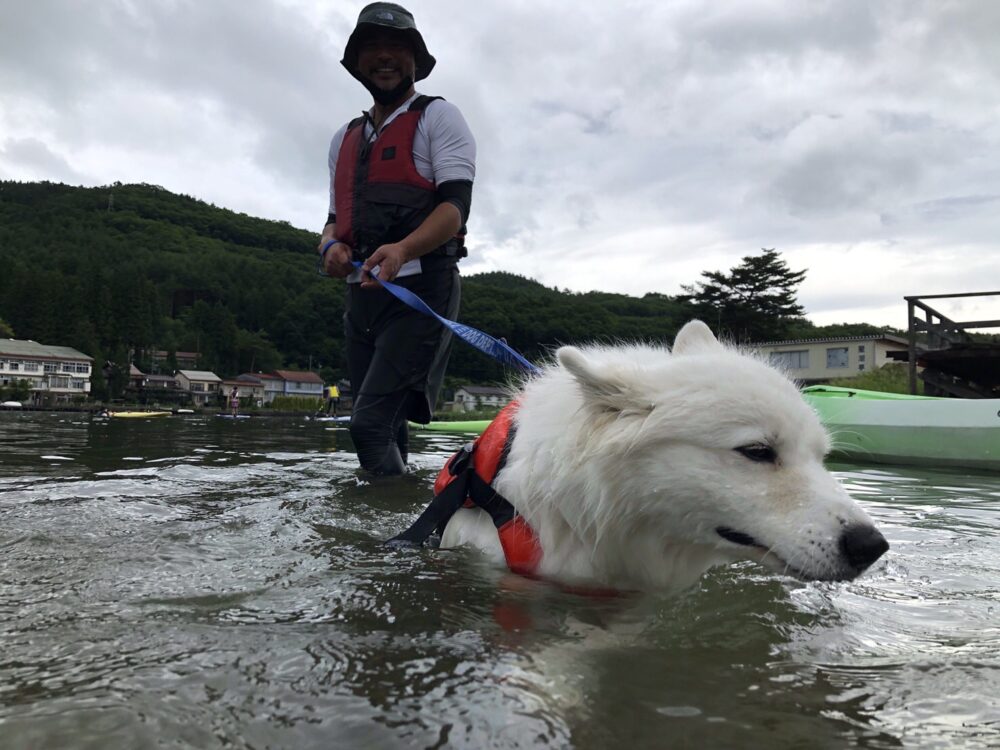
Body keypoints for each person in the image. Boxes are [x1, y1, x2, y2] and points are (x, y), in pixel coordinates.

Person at [319, 2, 476, 475]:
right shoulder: (344, 137)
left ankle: (394, 537)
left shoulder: (439, 118)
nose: (385, 57)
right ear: (357, 62)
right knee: (385, 426)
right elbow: (332, 220)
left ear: (415, 62)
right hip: (361, 301)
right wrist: (329, 246)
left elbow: (454, 209)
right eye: (373, 49)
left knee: (366, 426)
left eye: (397, 48)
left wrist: (403, 250)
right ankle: (397, 521)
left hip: (420, 291)